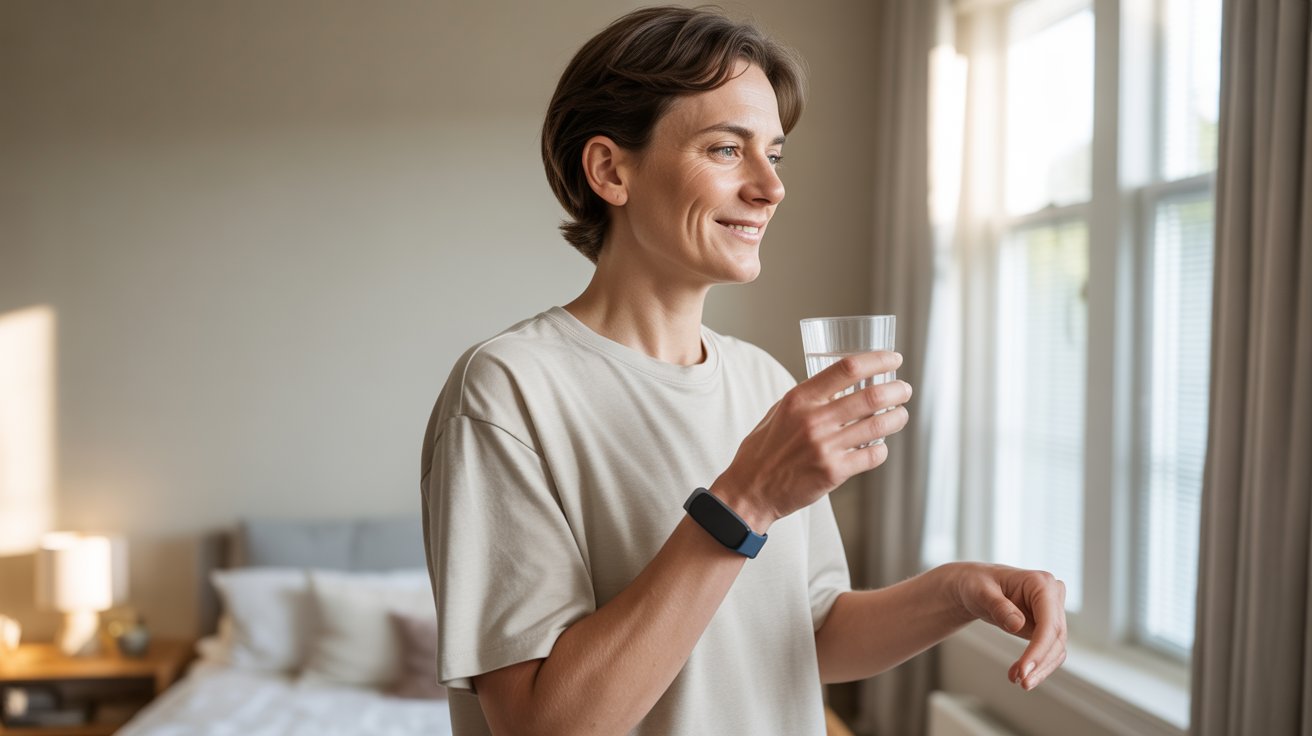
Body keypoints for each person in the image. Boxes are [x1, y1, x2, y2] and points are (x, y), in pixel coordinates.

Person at [419, 6, 1067, 735]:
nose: (770, 187)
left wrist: (958, 592)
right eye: (727, 150)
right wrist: (744, 502)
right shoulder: (509, 390)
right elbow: (544, 725)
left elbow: (810, 632)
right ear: (609, 169)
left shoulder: (765, 382)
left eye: (775, 154)